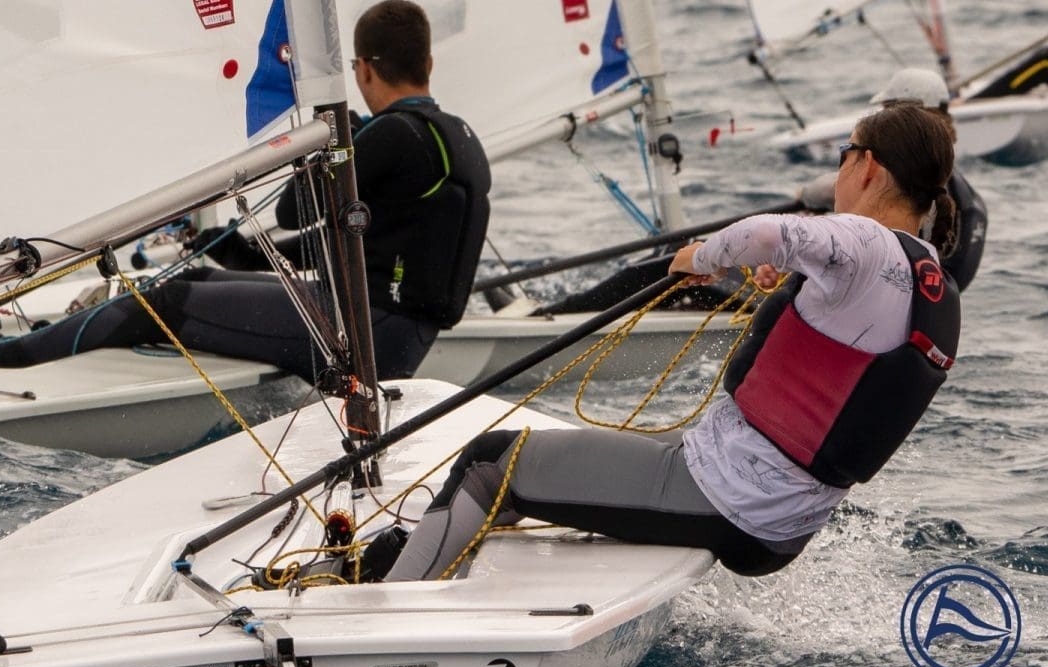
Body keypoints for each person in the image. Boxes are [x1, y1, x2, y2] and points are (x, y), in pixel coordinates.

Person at [383, 103, 960, 582]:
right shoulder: (928, 278)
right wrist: (799, 280)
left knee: (490, 462)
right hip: (781, 525)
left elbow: (764, 232)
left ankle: (388, 606)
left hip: (724, 495)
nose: (837, 173)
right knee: (574, 458)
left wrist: (699, 258)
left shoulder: (865, 240)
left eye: (842, 155)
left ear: (867, 166)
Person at [0, 0, 491, 384]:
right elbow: (365, 243)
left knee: (164, 301)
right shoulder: (458, 137)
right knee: (198, 277)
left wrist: (328, 142)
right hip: (395, 336)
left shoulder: (393, 135)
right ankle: (20, 346)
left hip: (360, 332)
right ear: (428, 63)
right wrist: (246, 255)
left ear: (365, 69)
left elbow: (292, 210)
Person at [801, 67, 987, 291]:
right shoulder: (947, 173)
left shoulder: (903, 172)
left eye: (885, 111)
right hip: (933, 299)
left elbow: (825, 191)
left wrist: (804, 195)